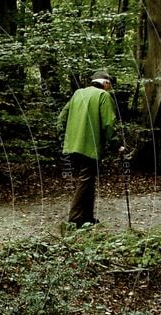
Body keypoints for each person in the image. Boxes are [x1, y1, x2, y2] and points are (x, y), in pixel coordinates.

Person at [58, 70, 117, 227]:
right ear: (105, 83)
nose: (109, 88)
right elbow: (108, 124)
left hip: (72, 145)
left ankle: (87, 216)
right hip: (91, 146)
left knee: (88, 179)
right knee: (86, 179)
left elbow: (62, 117)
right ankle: (75, 218)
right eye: (109, 85)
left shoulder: (78, 93)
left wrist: (68, 134)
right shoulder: (103, 96)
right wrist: (115, 143)